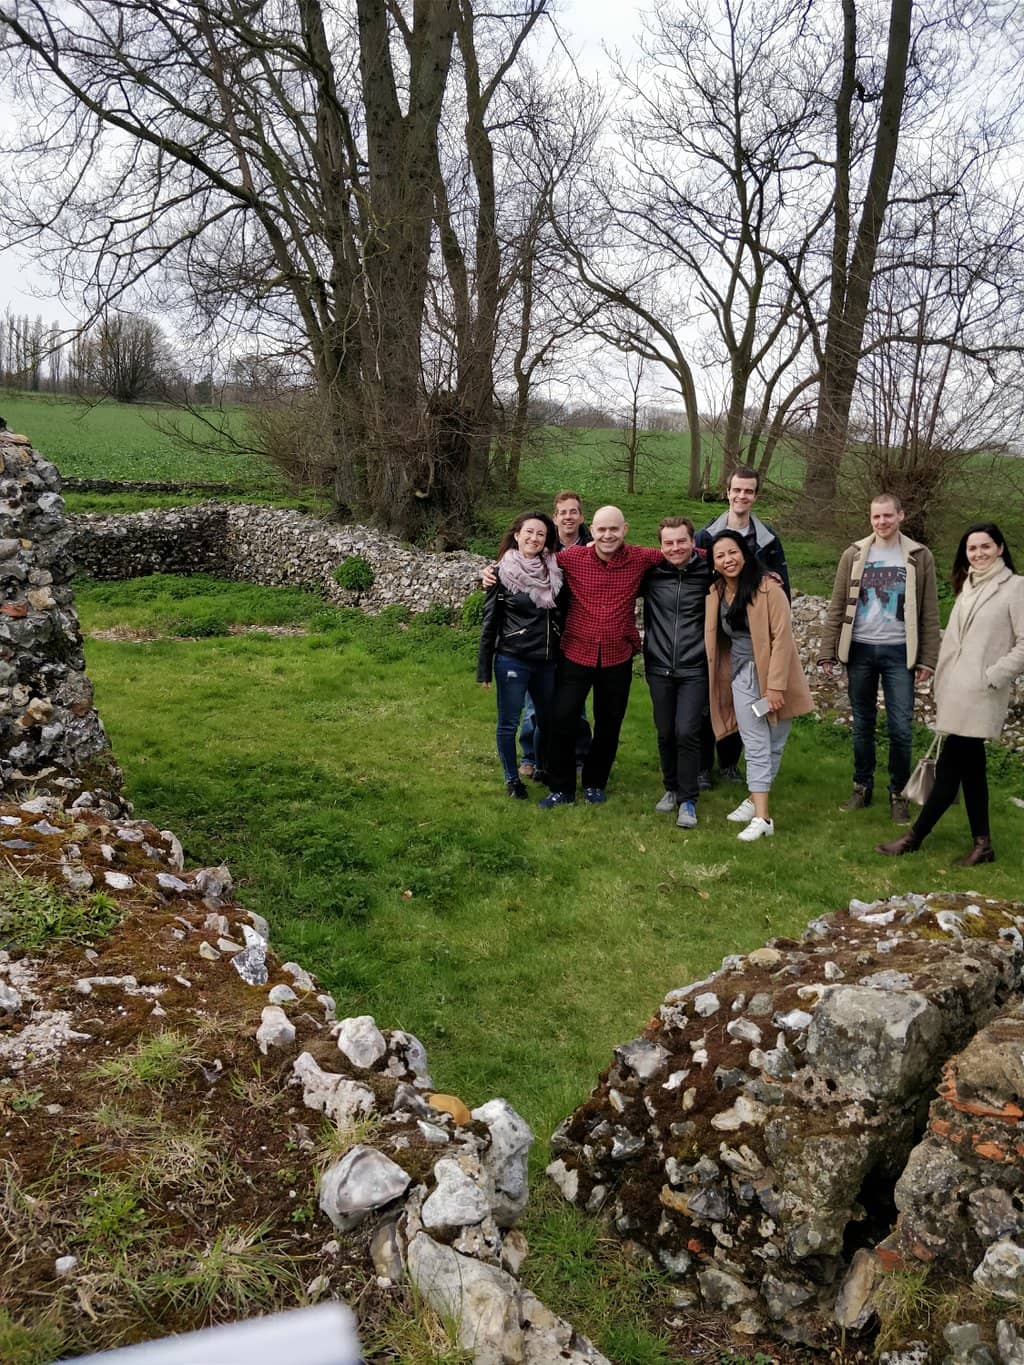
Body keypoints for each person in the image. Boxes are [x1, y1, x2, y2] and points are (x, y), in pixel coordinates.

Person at [876, 522, 1024, 865]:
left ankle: (915, 837)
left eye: (985, 546)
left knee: (949, 771)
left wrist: (992, 676)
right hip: (955, 692)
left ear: (1000, 549)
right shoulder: (967, 587)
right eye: (972, 548)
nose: (978, 554)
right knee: (972, 773)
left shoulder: (1014, 587)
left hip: (982, 693)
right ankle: (982, 844)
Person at [819, 493, 940, 824]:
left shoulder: (918, 555)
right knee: (862, 724)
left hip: (900, 652)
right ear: (870, 519)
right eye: (876, 517)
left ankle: (898, 793)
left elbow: (929, 610)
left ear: (901, 515)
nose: (882, 522)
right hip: (860, 649)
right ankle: (862, 787)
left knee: (901, 726)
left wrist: (928, 659)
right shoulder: (854, 554)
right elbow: (837, 604)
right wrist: (827, 651)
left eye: (888, 516)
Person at [539, 506, 664, 807]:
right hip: (575, 652)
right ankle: (562, 788)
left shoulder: (641, 558)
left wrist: (761, 569)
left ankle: (595, 782)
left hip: (616, 656)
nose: (608, 535)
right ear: (592, 531)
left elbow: (682, 550)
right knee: (562, 719)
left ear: (625, 529)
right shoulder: (572, 558)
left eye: (614, 529)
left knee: (609, 723)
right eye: (602, 529)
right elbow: (530, 559)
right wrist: (493, 570)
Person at [704, 529, 813, 841]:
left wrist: (776, 687)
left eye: (732, 552)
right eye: (720, 555)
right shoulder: (715, 592)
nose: (728, 560)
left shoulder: (768, 588)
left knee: (775, 742)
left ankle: (754, 800)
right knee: (755, 743)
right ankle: (764, 818)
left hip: (777, 676)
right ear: (713, 563)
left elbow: (782, 639)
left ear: (745, 553)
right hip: (743, 675)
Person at [696, 466, 790, 784]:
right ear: (728, 492)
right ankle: (702, 767)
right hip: (716, 627)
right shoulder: (706, 535)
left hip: (751, 637)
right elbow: (698, 578)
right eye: (737, 490)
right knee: (711, 697)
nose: (742, 496)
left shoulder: (768, 539)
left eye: (748, 491)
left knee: (744, 703)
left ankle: (730, 763)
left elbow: (782, 589)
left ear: (755, 495)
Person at [477, 512, 564, 799]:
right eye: (528, 532)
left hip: (547, 661)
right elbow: (489, 622)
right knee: (509, 722)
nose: (534, 538)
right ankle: (512, 779)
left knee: (546, 720)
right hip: (513, 658)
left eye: (540, 533)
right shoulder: (500, 573)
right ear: (517, 535)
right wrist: (484, 668)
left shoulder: (555, 569)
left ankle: (542, 767)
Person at [641, 517, 712, 829]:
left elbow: (742, 569)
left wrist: (772, 575)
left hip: (695, 666)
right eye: (668, 543)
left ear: (692, 541)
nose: (675, 548)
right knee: (665, 732)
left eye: (681, 541)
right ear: (660, 545)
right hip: (658, 664)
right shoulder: (651, 573)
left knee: (687, 731)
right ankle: (670, 788)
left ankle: (688, 800)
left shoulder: (709, 573)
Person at [518, 491, 592, 780]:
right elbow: (515, 563)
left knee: (577, 702)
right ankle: (530, 755)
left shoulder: (593, 544)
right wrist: (490, 571)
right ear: (555, 516)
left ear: (581, 516)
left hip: (578, 631)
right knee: (534, 702)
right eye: (563, 512)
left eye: (574, 512)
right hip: (543, 632)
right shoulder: (543, 545)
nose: (569, 517)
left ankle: (579, 755)